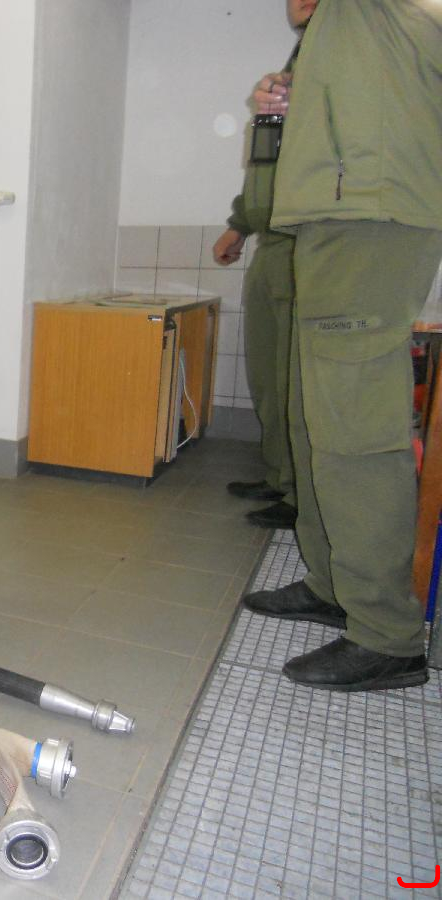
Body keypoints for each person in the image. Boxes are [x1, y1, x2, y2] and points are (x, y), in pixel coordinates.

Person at [242, 0, 442, 692]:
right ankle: (334, 584)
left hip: (369, 210)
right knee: (315, 419)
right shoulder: (353, 21)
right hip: (334, 212)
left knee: (355, 428)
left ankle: (385, 632)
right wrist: (298, 92)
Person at [213, 0, 317, 532]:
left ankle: (301, 493)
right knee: (268, 374)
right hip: (272, 242)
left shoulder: (338, 57)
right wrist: (240, 224)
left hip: (305, 239)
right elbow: (266, 162)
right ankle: (280, 477)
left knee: (294, 378)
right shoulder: (296, 64)